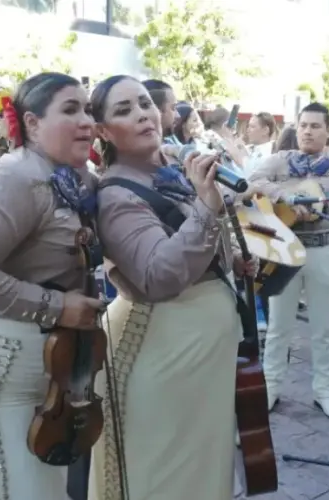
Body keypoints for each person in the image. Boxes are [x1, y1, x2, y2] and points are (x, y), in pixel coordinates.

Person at [89, 74, 257, 500]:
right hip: (160, 348)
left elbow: (189, 243)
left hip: (200, 353)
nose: (143, 113)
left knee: (200, 467)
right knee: (164, 473)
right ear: (104, 132)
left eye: (145, 103)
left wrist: (228, 261)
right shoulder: (115, 195)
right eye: (124, 110)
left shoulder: (170, 170)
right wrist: (205, 207)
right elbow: (158, 275)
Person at [0, 72, 101, 500]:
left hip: (54, 370)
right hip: (0, 367)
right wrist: (55, 306)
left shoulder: (78, 179)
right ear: (31, 123)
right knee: (6, 488)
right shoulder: (10, 179)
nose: (87, 120)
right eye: (70, 110)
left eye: (88, 109)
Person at [246, 102, 329, 421]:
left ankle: (324, 393)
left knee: (324, 327)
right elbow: (253, 183)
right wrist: (286, 196)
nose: (307, 131)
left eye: (315, 126)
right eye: (303, 125)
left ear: (328, 131)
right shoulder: (279, 160)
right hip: (284, 250)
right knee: (278, 327)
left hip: (324, 249)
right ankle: (271, 388)